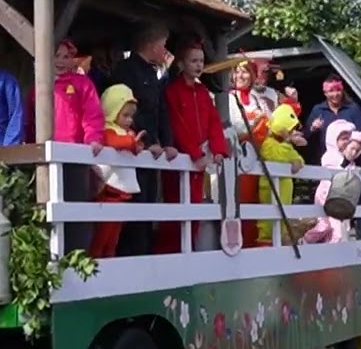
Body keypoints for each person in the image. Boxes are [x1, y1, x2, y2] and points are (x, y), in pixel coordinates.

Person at [107, 23, 178, 256]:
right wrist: (147, 142)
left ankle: (145, 254)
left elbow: (161, 111)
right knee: (133, 208)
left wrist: (167, 142)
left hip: (151, 152)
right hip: (132, 148)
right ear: (151, 45)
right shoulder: (126, 70)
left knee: (148, 206)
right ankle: (130, 257)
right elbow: (127, 112)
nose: (165, 50)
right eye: (163, 45)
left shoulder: (151, 72)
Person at [156, 40, 229, 254]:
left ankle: (189, 252)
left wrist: (218, 149)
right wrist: (196, 153)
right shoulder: (173, 91)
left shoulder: (203, 91)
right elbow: (176, 125)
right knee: (175, 209)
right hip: (182, 158)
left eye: (201, 61)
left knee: (195, 208)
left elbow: (214, 122)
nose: (198, 65)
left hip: (199, 159)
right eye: (193, 61)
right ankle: (169, 254)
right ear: (181, 63)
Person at [227, 56, 302, 248]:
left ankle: (257, 246)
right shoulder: (228, 98)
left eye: (245, 72)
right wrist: (255, 125)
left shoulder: (257, 100)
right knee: (239, 205)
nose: (241, 75)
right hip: (238, 159)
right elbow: (232, 127)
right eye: (237, 71)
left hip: (259, 158)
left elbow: (273, 125)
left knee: (259, 205)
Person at [304, 77, 361, 240]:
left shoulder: (353, 110)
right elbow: (305, 138)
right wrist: (313, 128)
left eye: (338, 90)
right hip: (330, 167)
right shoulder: (318, 110)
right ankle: (330, 248)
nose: (335, 94)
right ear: (325, 92)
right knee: (330, 216)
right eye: (331, 91)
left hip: (354, 164)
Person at [89, 84, 145, 258]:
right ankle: (97, 265)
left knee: (113, 238)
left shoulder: (126, 133)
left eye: (131, 116)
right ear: (113, 111)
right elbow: (114, 141)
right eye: (125, 115)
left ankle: (109, 263)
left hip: (120, 194)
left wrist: (136, 144)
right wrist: (133, 144)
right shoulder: (107, 130)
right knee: (102, 236)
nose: (129, 120)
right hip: (109, 192)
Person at [23, 39, 105, 151]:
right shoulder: (38, 87)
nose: (61, 61)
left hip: (76, 148)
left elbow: (92, 114)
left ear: (72, 60)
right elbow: (30, 121)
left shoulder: (83, 83)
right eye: (56, 56)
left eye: (66, 57)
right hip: (46, 149)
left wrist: (94, 138)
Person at [304, 120, 361, 244]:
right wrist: (345, 162)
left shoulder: (350, 161)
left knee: (340, 230)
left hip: (340, 199)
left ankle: (330, 252)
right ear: (333, 139)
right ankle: (305, 241)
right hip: (325, 197)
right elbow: (335, 169)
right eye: (343, 138)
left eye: (349, 138)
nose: (346, 141)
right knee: (324, 226)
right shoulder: (329, 155)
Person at [255, 105, 307, 247]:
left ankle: (282, 248)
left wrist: (297, 160)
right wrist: (288, 143)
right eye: (289, 129)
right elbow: (278, 157)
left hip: (284, 193)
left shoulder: (284, 145)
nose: (292, 132)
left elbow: (296, 157)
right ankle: (265, 250)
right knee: (268, 223)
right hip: (270, 190)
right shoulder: (268, 143)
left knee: (284, 222)